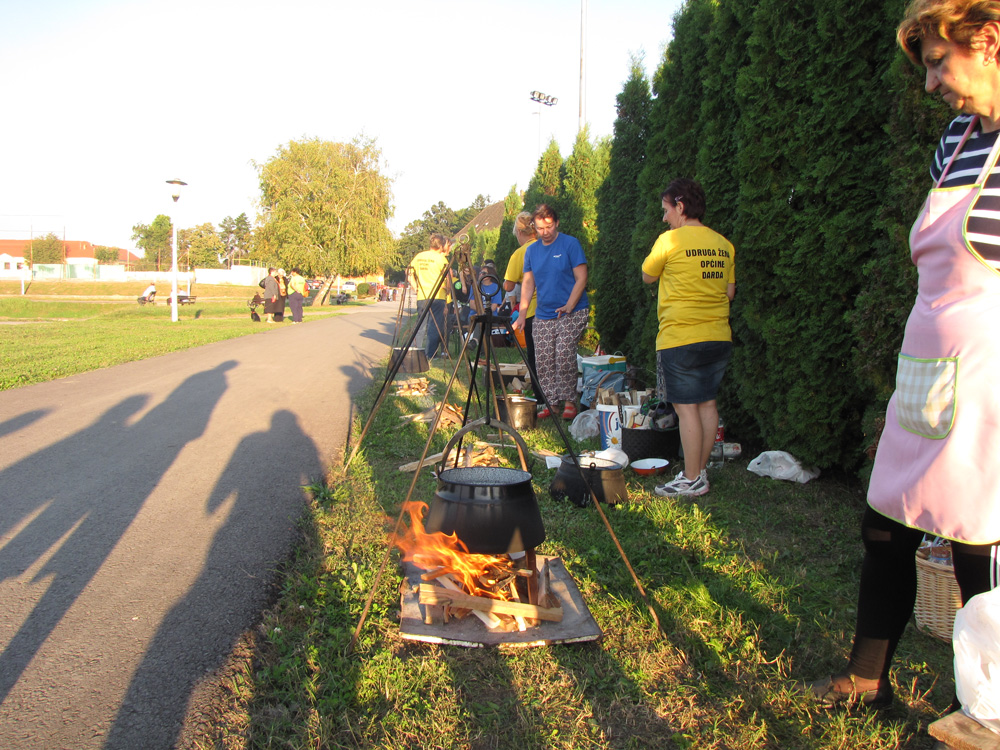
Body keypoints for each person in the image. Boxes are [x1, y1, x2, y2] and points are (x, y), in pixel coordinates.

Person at [805, 0, 1000, 714]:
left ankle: (988, 711)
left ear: (989, 40)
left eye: (939, 63)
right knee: (886, 521)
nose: (931, 84)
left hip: (990, 379)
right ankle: (866, 681)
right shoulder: (954, 140)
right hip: (924, 365)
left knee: (983, 546)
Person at [641, 179, 735, 498]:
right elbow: (730, 292)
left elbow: (648, 275)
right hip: (718, 336)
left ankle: (692, 477)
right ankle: (698, 472)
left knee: (686, 409)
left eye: (666, 210)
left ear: (680, 207)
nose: (664, 218)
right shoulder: (724, 244)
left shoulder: (670, 241)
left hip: (680, 336)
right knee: (707, 404)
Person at [512, 204, 589, 420]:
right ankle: (551, 403)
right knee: (543, 358)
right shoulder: (532, 251)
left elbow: (582, 277)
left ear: (556, 223)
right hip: (545, 313)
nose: (545, 232)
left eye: (548, 227)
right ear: (534, 228)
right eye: (539, 229)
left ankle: (569, 401)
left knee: (564, 354)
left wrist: (569, 305)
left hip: (573, 310)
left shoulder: (570, 244)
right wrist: (522, 314)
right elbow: (528, 282)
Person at [504, 211, 542, 408]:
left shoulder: (520, 253)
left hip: (533, 310)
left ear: (520, 231)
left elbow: (509, 285)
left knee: (535, 356)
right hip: (555, 308)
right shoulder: (546, 245)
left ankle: (541, 398)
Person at [407, 233, 452, 359]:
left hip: (422, 295)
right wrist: (448, 289)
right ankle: (430, 354)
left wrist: (415, 287)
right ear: (442, 245)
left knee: (420, 325)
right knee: (434, 326)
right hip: (438, 296)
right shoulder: (441, 259)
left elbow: (409, 273)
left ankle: (416, 352)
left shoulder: (419, 257)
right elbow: (447, 277)